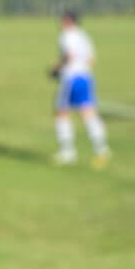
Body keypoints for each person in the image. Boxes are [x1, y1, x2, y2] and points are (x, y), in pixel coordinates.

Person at [50, 11, 110, 168]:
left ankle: (67, 152)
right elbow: (91, 60)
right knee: (88, 112)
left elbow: (69, 56)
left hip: (71, 79)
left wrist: (57, 68)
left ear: (68, 21)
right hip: (86, 77)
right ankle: (102, 148)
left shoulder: (67, 35)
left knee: (61, 112)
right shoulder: (84, 36)